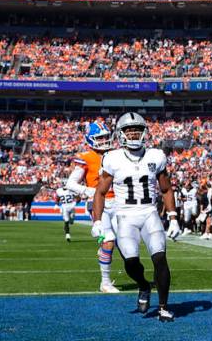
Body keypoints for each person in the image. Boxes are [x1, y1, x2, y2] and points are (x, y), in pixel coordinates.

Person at [92, 112, 180, 323]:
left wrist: (173, 217)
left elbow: (166, 189)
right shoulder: (112, 158)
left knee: (159, 258)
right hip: (125, 215)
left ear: (144, 132)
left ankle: (163, 307)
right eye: (129, 130)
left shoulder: (156, 156)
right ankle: (142, 285)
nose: (133, 133)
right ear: (121, 134)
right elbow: (100, 192)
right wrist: (97, 220)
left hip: (149, 212)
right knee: (131, 262)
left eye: (137, 129)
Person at [65, 121, 119, 293]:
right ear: (91, 139)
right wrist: (89, 190)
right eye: (100, 138)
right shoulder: (86, 157)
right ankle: (105, 282)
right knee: (109, 240)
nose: (104, 141)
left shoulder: (116, 155)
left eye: (105, 137)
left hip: (118, 202)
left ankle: (102, 249)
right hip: (98, 204)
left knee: (122, 239)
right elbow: (71, 183)